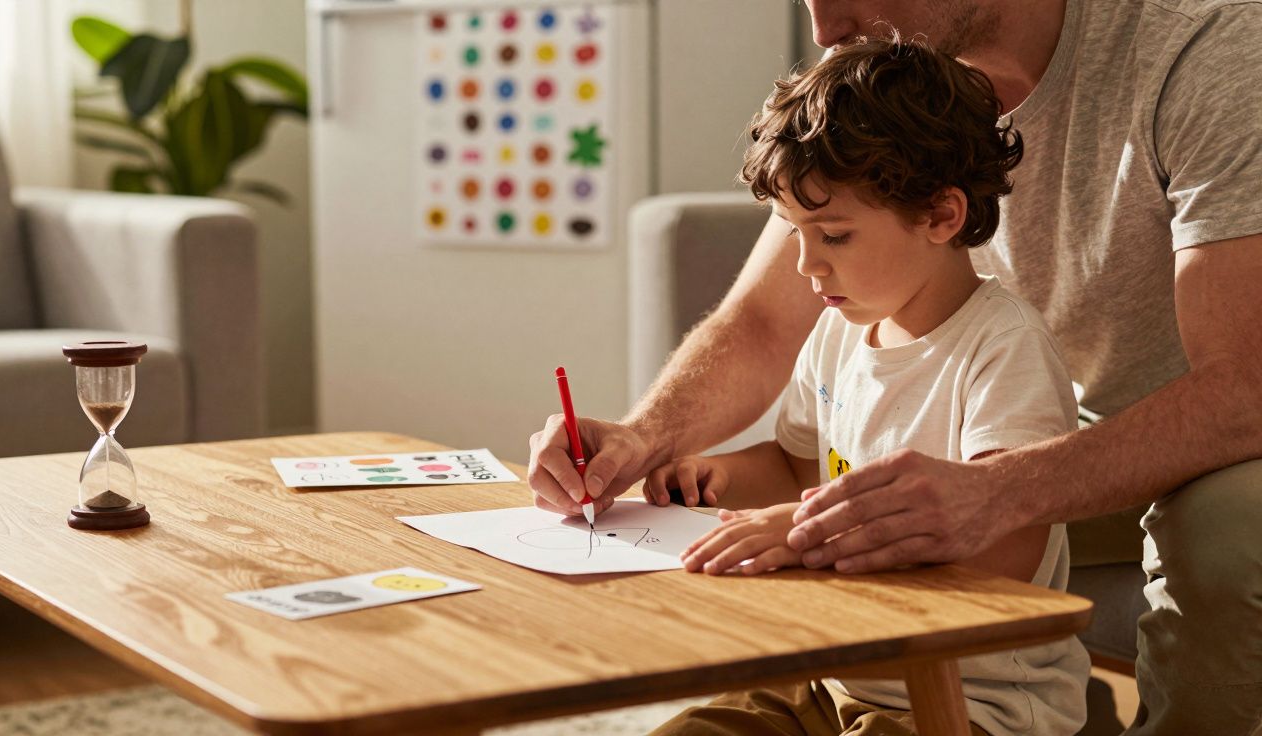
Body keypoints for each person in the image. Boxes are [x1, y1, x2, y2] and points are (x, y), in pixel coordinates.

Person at [528, 1, 1262, 732]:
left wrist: (838, 529)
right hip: (848, 671)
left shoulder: (1202, 40)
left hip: (1211, 434)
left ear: (943, 215)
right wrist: (645, 442)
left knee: (1227, 535)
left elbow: (1245, 388)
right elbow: (766, 347)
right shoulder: (884, 79)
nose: (823, 29)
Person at [643, 36, 1086, 735]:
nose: (805, 266)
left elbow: (1006, 539)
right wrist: (711, 475)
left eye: (834, 237)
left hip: (972, 706)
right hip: (833, 684)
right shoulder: (841, 330)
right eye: (795, 235)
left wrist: (810, 534)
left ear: (941, 216)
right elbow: (798, 465)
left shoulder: (1002, 348)